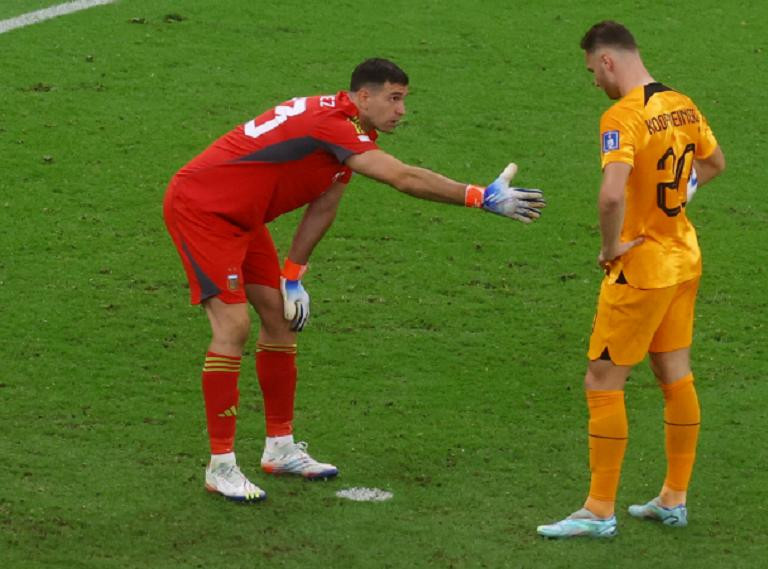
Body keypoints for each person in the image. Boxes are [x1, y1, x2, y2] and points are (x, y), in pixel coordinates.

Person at [163, 58, 546, 502]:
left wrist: (293, 275)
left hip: (243, 218)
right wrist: (478, 196)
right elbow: (402, 177)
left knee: (281, 321)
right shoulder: (334, 126)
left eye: (404, 99)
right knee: (233, 327)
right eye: (394, 98)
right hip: (203, 210)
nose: (401, 110)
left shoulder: (351, 132)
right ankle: (221, 465)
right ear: (364, 97)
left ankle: (280, 448)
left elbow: (325, 205)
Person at [536, 21, 725, 538]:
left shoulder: (623, 115)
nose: (594, 81)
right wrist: (674, 202)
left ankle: (598, 510)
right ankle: (674, 498)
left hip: (641, 270)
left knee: (601, 381)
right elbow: (714, 163)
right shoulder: (682, 103)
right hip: (684, 258)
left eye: (592, 70)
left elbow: (611, 195)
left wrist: (610, 245)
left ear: (607, 61)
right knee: (674, 374)